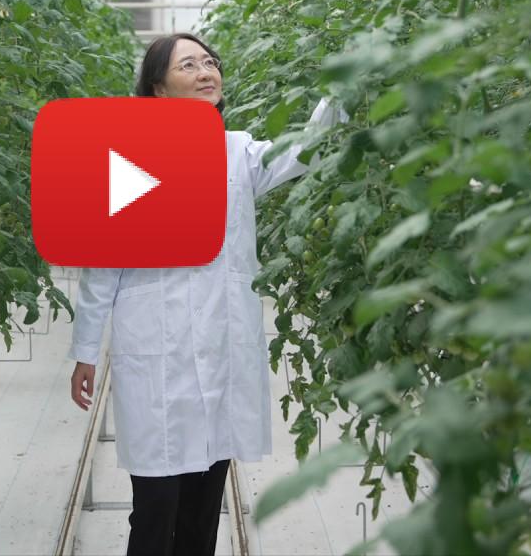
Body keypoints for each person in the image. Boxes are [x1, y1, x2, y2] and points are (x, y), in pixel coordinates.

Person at [67, 33, 346, 556]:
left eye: (210, 62)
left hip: (220, 345)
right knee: (154, 510)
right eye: (188, 64)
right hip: (154, 347)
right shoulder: (127, 156)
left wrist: (343, 85)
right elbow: (103, 264)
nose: (205, 71)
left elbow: (305, 149)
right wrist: (85, 349)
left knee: (202, 510)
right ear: (158, 87)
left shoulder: (238, 150)